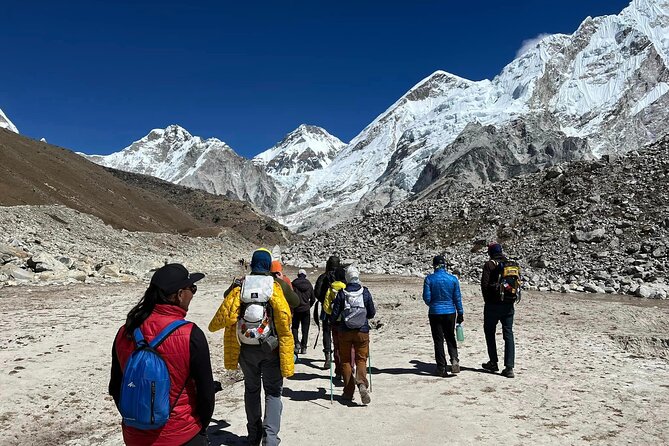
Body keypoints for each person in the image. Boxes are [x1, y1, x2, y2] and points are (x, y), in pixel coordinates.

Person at [109, 263, 215, 446]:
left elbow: (116, 386)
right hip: (182, 434)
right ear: (180, 295)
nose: (193, 294)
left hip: (135, 437)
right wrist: (200, 428)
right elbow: (206, 395)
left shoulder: (125, 331)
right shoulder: (191, 334)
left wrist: (137, 423)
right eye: (193, 289)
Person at [208, 248, 296, 446]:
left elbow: (226, 299)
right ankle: (271, 438)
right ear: (268, 266)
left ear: (251, 264)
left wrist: (235, 283)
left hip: (246, 348)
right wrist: (279, 280)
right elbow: (295, 301)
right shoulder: (275, 284)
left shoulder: (241, 285)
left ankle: (253, 434)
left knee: (252, 390)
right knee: (273, 392)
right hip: (271, 347)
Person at [331, 266, 375, 405]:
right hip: (362, 331)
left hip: (344, 331)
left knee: (345, 361)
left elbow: (335, 315)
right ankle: (362, 383)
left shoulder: (342, 294)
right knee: (361, 359)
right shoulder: (365, 292)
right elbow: (372, 313)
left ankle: (348, 392)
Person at [422, 255, 464, 377]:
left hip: (435, 312)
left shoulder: (429, 279)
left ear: (434, 265)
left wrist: (433, 304)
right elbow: (457, 298)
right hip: (450, 311)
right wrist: (460, 312)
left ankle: (441, 367)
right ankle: (454, 359)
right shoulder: (453, 279)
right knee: (450, 336)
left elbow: (426, 297)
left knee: (438, 340)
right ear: (445, 265)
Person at [481, 242, 516, 378]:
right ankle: (509, 367)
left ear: (490, 252)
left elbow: (484, 285)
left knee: (489, 332)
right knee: (508, 334)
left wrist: (487, 301)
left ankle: (493, 362)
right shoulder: (511, 265)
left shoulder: (489, 265)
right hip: (508, 304)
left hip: (492, 305)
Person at [313, 255, 341, 368]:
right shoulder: (341, 277)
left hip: (326, 309)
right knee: (339, 333)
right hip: (339, 310)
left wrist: (324, 301)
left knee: (326, 331)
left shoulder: (323, 277)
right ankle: (339, 356)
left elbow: (317, 293)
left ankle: (328, 356)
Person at [323, 267, 349, 380]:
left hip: (335, 323)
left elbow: (326, 306)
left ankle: (338, 370)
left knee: (337, 347)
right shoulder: (346, 288)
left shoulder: (331, 288)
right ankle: (349, 369)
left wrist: (331, 315)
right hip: (347, 322)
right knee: (348, 347)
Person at [291, 269, 315, 355]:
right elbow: (313, 299)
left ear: (298, 275)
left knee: (294, 327)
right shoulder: (309, 284)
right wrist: (308, 305)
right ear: (305, 276)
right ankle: (304, 347)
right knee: (305, 329)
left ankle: (296, 343)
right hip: (306, 310)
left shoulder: (293, 283)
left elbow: (290, 296)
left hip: (296, 309)